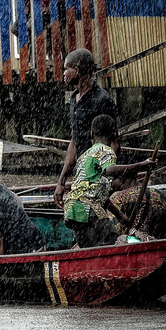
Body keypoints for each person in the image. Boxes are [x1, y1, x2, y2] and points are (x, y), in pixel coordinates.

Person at [62, 115, 154, 248]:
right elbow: (109, 170)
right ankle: (138, 252)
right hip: (89, 209)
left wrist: (121, 216)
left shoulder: (85, 155)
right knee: (114, 242)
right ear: (113, 135)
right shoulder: (106, 150)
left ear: (92, 134)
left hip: (73, 210)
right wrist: (141, 165)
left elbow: (96, 193)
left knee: (91, 249)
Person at [54, 48, 118, 209]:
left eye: (66, 69)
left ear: (76, 70)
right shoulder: (74, 99)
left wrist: (104, 181)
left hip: (96, 174)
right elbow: (74, 141)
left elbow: (115, 144)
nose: (63, 74)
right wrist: (61, 182)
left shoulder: (102, 100)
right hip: (81, 173)